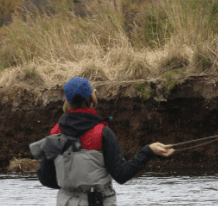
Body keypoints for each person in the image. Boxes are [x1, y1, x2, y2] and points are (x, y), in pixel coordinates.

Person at [32, 77, 175, 206]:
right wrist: (148, 151)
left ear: (67, 100)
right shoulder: (102, 133)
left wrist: (72, 188)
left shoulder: (54, 133)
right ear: (90, 98)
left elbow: (45, 178)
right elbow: (121, 175)